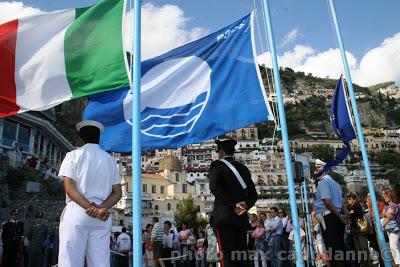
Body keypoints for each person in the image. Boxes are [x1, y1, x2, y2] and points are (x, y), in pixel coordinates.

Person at [58, 120, 122, 267]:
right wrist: (99, 209)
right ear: (98, 138)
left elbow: (70, 189)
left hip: (78, 211)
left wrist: (89, 207)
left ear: (81, 139)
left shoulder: (72, 155)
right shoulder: (110, 160)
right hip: (102, 215)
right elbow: (117, 193)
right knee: (100, 262)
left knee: (70, 261)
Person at [209, 139, 257, 267]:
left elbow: (214, 188)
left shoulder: (217, 166)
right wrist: (245, 204)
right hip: (241, 218)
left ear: (222, 151)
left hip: (225, 217)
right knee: (242, 255)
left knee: (228, 256)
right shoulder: (243, 168)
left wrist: (232, 205)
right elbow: (253, 195)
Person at [313, 159, 349, 267]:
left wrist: (340, 216)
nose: (315, 172)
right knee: (341, 248)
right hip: (336, 217)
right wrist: (344, 215)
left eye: (316, 169)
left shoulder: (323, 182)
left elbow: (327, 201)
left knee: (333, 250)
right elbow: (341, 203)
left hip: (329, 217)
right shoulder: (336, 184)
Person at [346, 193, 371, 267]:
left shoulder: (357, 206)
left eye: (350, 199)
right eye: (348, 199)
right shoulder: (349, 207)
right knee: (358, 249)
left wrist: (350, 213)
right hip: (354, 230)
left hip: (360, 229)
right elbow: (349, 215)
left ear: (354, 199)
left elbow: (352, 214)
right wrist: (350, 213)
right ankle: (363, 263)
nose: (349, 201)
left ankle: (368, 263)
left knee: (363, 247)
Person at [381, 188, 400, 266]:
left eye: (385, 196)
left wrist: (382, 225)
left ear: (389, 196)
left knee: (393, 246)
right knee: (396, 246)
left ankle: (399, 263)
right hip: (390, 229)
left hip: (396, 228)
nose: (384, 197)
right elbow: (384, 215)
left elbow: (390, 216)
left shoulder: (394, 205)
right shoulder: (386, 206)